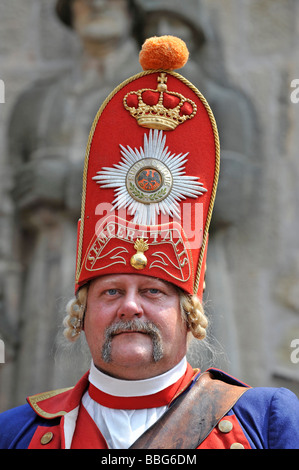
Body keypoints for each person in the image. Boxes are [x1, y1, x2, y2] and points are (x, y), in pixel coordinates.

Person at [0, 36, 298, 450]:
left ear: (189, 313)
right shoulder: (14, 433)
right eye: (111, 291)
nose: (130, 306)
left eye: (154, 291)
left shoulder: (266, 422)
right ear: (81, 315)